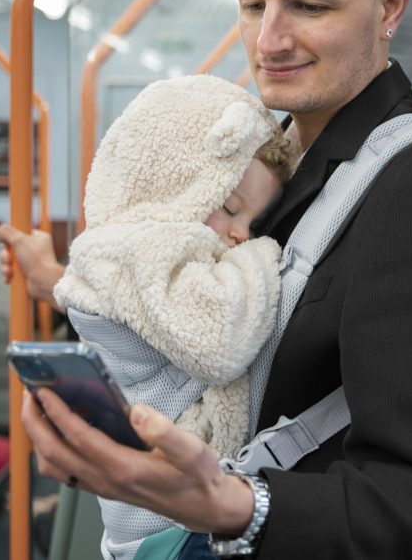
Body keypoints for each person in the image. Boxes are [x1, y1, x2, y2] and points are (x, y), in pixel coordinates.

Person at [4, 0, 412, 557]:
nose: (268, 40)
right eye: (253, 5)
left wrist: (233, 505)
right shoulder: (262, 166)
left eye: (308, 6)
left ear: (389, 5)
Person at [50, 73, 294, 558]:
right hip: (170, 521)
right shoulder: (138, 251)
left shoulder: (124, 250)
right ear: (173, 183)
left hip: (153, 512)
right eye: (228, 207)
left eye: (254, 224)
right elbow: (220, 339)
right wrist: (267, 254)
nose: (241, 235)